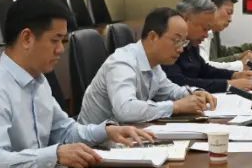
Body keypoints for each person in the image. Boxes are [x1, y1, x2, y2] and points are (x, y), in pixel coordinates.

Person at [0, 0, 153, 168]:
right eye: (55, 40)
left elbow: (65, 132)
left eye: (63, 41)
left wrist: (107, 131)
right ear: (27, 38)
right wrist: (55, 155)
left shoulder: (39, 81)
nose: (61, 49)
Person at [77, 7, 217, 125]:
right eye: (176, 41)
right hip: (95, 144)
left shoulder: (153, 64)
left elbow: (169, 90)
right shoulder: (122, 62)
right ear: (153, 37)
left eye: (183, 42)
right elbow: (125, 110)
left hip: (125, 136)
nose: (181, 49)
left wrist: (194, 93)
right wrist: (175, 107)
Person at [162, 0, 252, 94]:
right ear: (186, 19)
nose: (206, 35)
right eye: (204, 28)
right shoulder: (168, 44)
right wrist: (228, 84)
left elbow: (204, 70)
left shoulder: (191, 42)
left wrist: (234, 75)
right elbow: (178, 82)